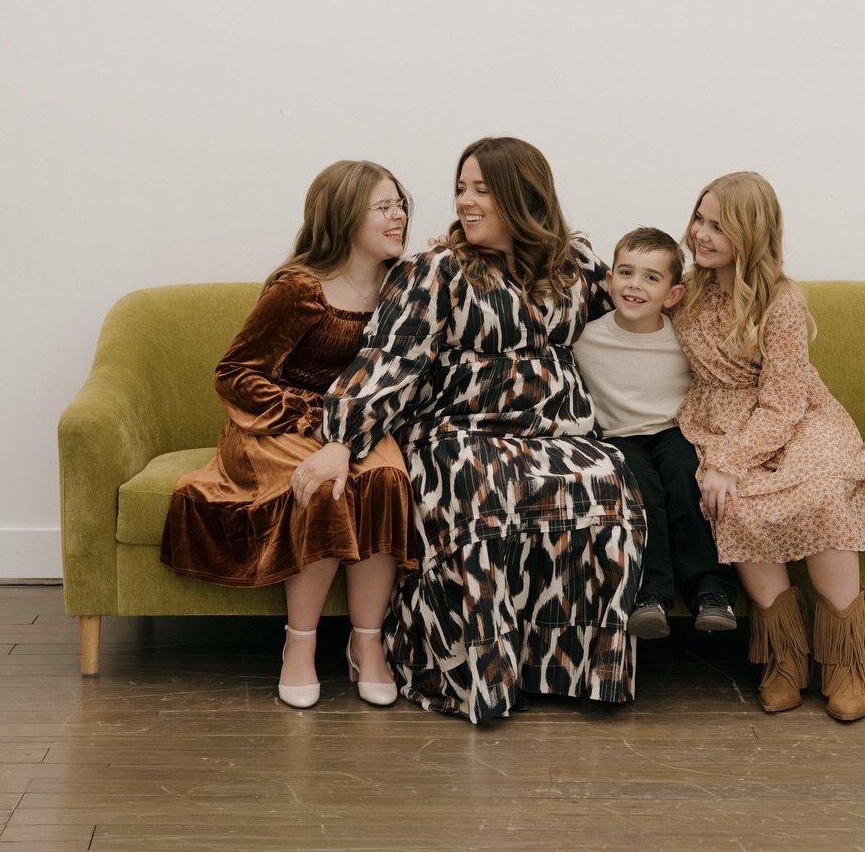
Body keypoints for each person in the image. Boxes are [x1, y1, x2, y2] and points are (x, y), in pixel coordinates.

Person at [294, 136, 645, 724]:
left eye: (482, 189)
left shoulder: (574, 263)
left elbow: (639, 306)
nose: (465, 201)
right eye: (461, 188)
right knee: (484, 489)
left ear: (522, 195)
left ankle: (569, 669)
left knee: (608, 483)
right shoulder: (436, 271)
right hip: (458, 434)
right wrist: (341, 441)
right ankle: (481, 674)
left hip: (559, 434)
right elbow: (392, 358)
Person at [160, 160, 415, 710]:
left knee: (387, 479)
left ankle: (367, 646)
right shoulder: (299, 288)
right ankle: (298, 648)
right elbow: (235, 374)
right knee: (325, 488)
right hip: (276, 424)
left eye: (399, 204)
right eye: (383, 207)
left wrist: (348, 430)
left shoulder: (406, 284)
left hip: (360, 425)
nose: (398, 216)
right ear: (344, 215)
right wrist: (320, 421)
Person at [673, 172, 865, 722]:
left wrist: (730, 461)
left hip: (796, 417)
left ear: (751, 234)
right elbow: (616, 284)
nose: (701, 234)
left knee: (824, 492)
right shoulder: (685, 291)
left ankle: (845, 662)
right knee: (734, 502)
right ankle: (785, 657)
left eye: (718, 226)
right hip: (719, 419)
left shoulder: (780, 302)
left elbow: (782, 403)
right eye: (699, 219)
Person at [571, 227, 739, 640]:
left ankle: (711, 592)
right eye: (626, 273)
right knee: (641, 486)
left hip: (674, 432)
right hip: (619, 438)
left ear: (673, 294)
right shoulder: (584, 338)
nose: (635, 285)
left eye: (651, 278)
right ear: (608, 280)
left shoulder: (684, 338)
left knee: (685, 477)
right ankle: (651, 595)